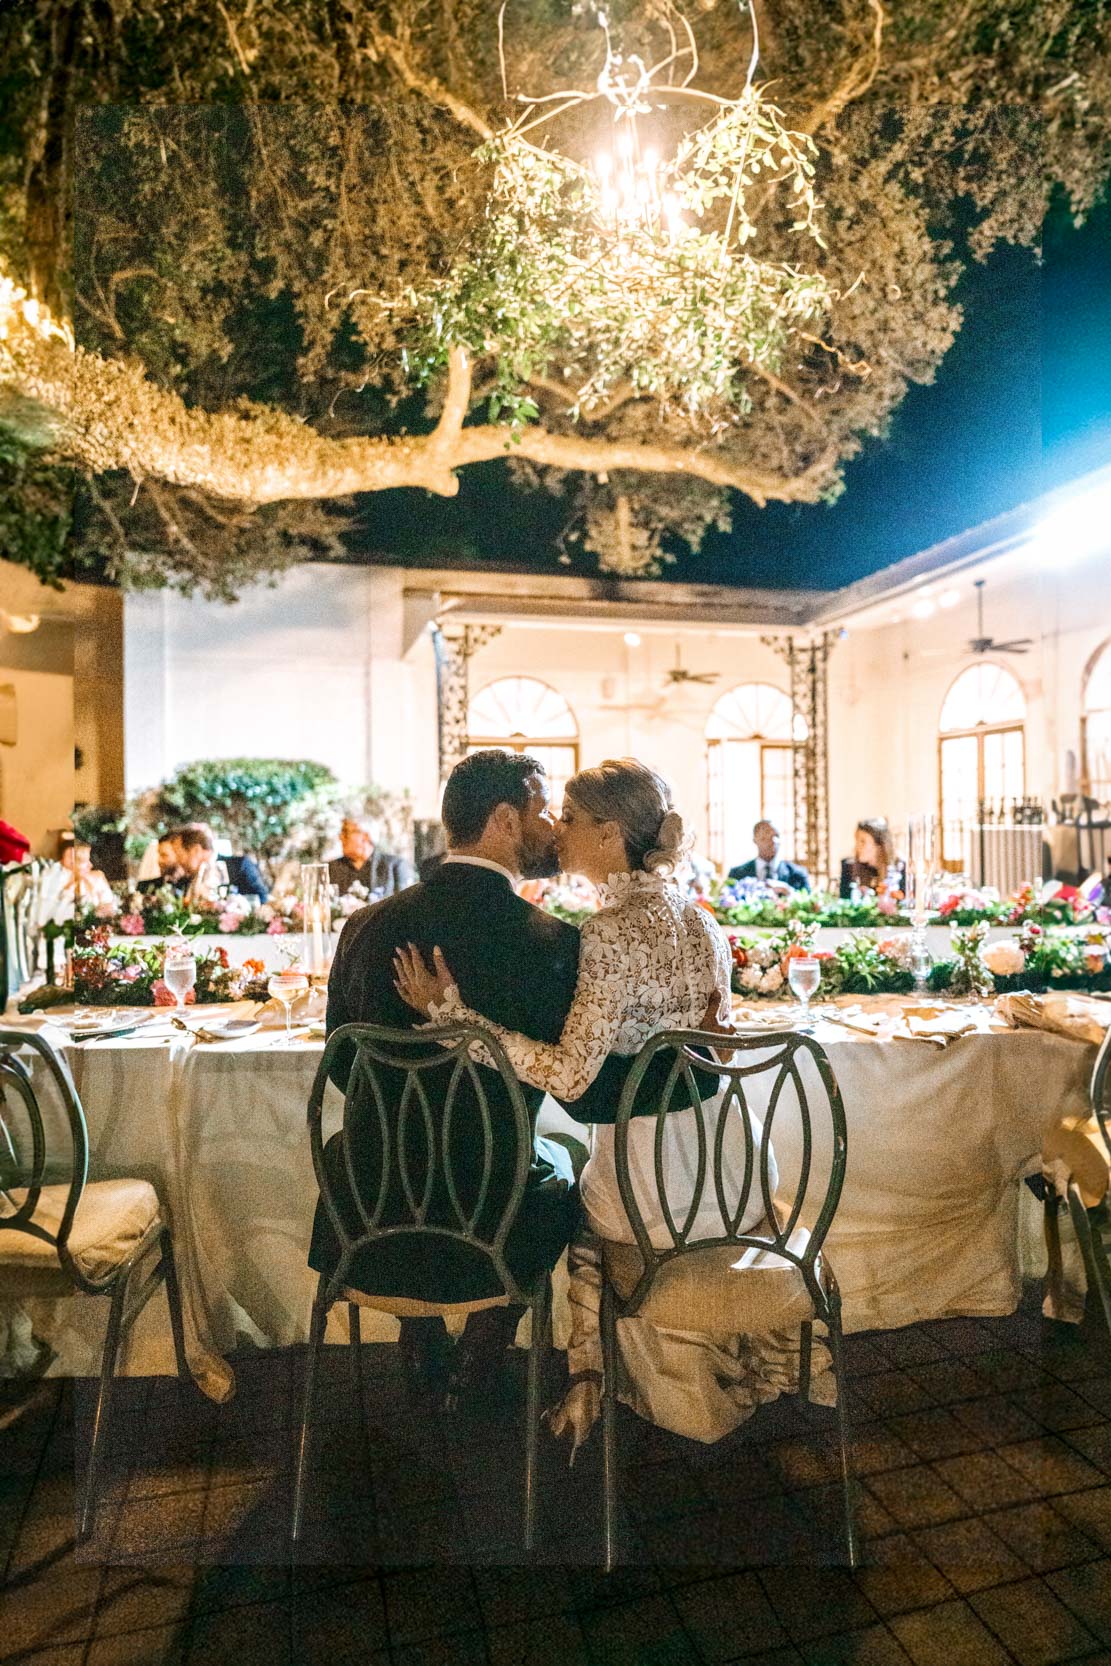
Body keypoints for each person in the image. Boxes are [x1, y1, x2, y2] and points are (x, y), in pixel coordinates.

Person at [396, 758, 813, 1449]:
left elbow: (569, 1078)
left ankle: (586, 1383)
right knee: (573, 1171)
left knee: (571, 1207)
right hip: (732, 1168)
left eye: (569, 817)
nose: (555, 829)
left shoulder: (606, 934)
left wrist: (460, 1021)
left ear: (610, 834)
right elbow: (712, 1046)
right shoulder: (700, 920)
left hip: (658, 1185)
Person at [309, 749, 717, 1403]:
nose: (553, 827)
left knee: (367, 1150)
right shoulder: (552, 942)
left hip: (372, 1206)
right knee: (556, 1170)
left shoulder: (364, 926)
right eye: (540, 810)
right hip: (489, 1214)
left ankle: (417, 1336)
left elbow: (344, 1071)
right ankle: (483, 1347)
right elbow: (578, 1089)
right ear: (503, 821)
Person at [328, 816, 414, 898]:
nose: (340, 837)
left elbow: (405, 907)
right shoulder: (331, 869)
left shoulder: (395, 866)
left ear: (365, 836)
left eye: (346, 832)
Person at [729, 820, 811, 893]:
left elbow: (809, 905)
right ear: (755, 840)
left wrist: (789, 892)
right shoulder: (737, 874)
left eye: (776, 836)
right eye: (766, 836)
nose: (773, 841)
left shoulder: (797, 874)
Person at [839, 817, 906, 899]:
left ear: (880, 846)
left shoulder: (900, 869)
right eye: (856, 841)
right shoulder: (849, 868)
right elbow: (845, 905)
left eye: (863, 842)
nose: (856, 847)